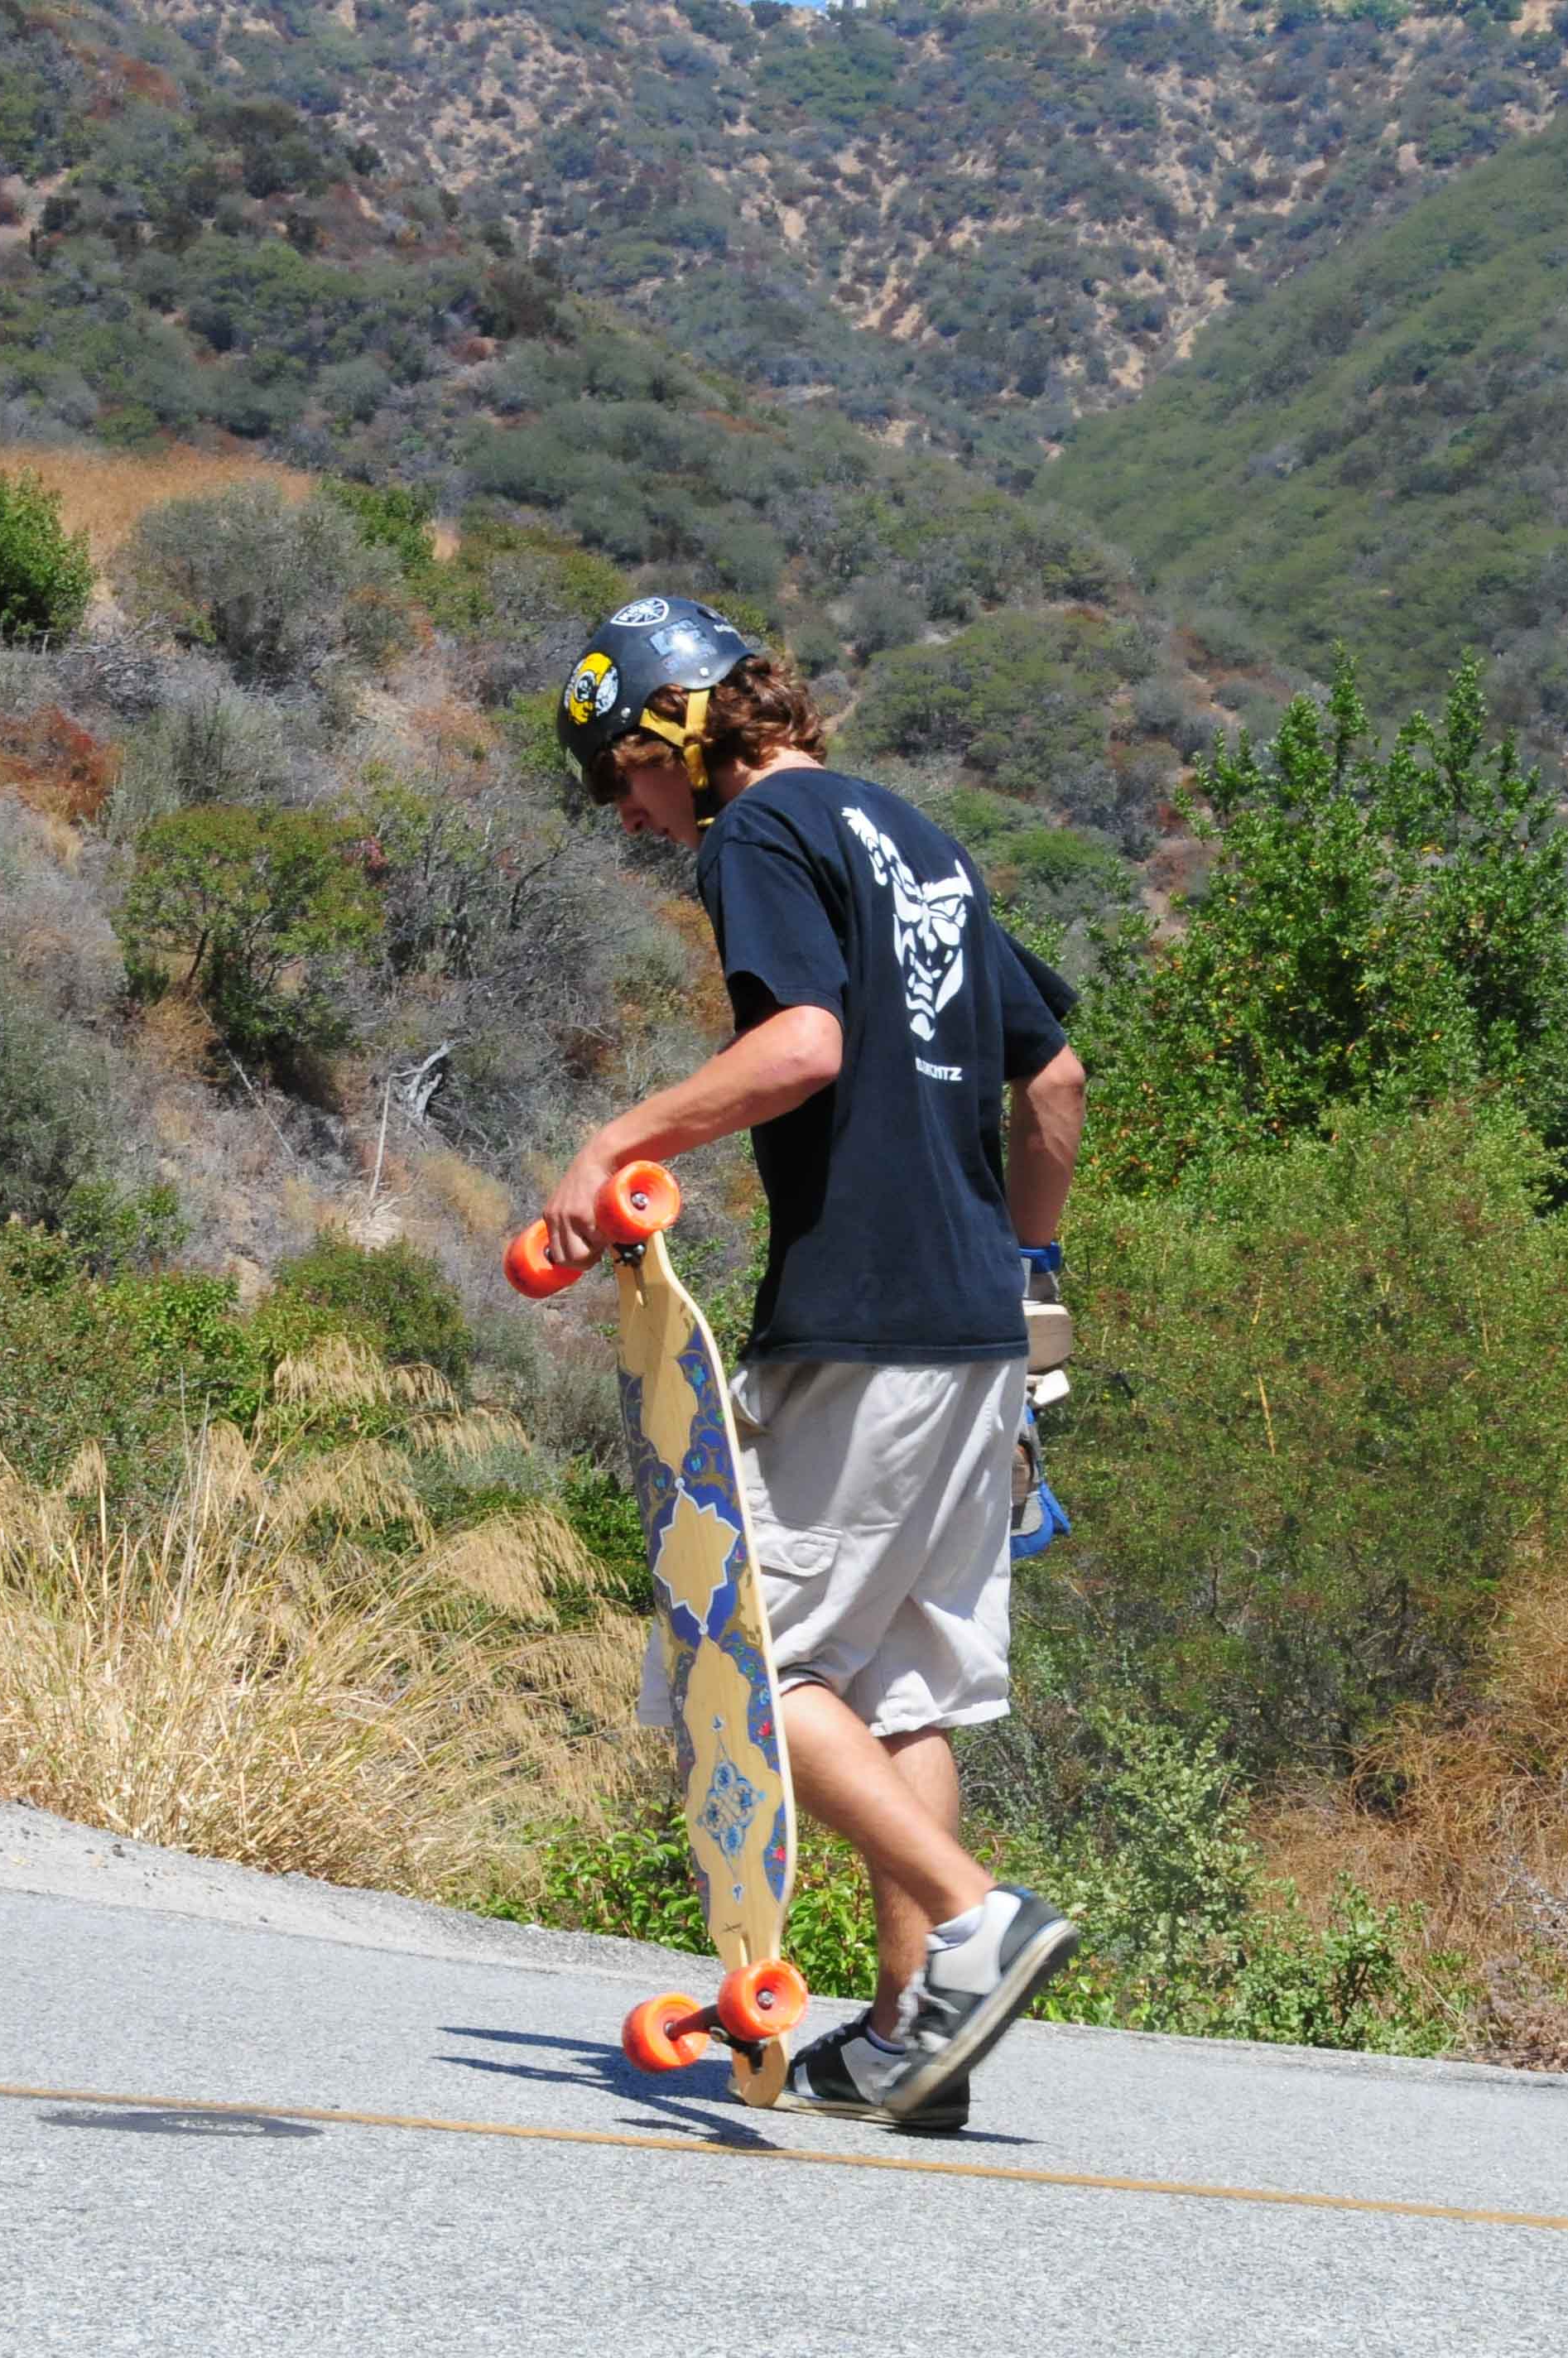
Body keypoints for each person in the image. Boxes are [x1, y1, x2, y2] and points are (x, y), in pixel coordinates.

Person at [540, 594, 1088, 2133]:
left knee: (751, 1665)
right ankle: (917, 2042)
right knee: (898, 1694)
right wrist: (1031, 1277)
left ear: (679, 729)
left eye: (621, 774)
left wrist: (619, 1137)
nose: (631, 812)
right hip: (980, 1336)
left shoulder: (758, 836)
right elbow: (1053, 1079)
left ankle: (973, 1926)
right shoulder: (922, 845)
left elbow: (803, 1051)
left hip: (861, 1320)